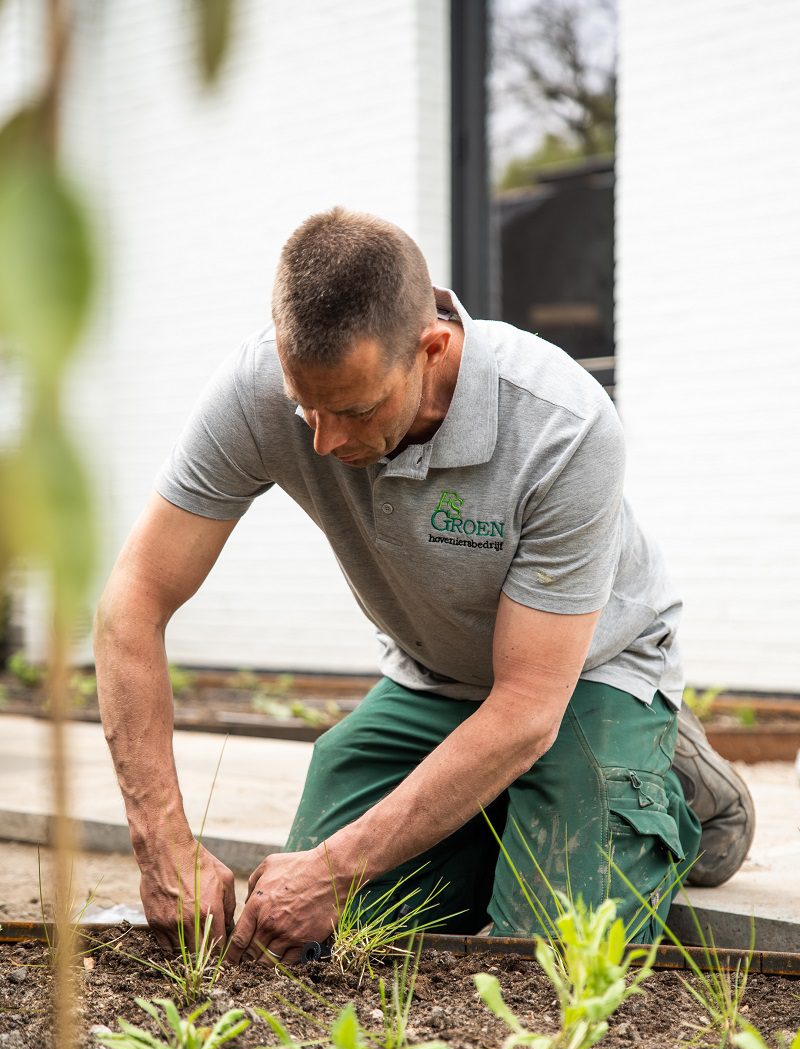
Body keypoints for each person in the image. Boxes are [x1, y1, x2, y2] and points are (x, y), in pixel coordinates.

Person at [93, 208, 754, 963]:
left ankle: (663, 779)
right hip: (438, 678)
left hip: (586, 675)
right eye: (304, 406)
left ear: (431, 348)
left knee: (548, 963)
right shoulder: (258, 390)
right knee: (300, 935)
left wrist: (338, 868)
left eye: (353, 408)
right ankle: (513, 810)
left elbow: (527, 707)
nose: (325, 440)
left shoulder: (561, 425)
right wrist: (161, 841)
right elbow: (131, 604)